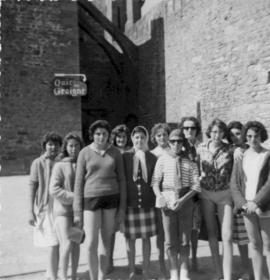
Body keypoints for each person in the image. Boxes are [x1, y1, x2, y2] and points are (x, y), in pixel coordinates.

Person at [73, 120, 126, 280]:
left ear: (109, 135)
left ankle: (102, 276)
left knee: (106, 241)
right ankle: (93, 277)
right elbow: (78, 182)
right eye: (97, 134)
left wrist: (122, 209)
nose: (101, 136)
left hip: (111, 200)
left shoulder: (115, 152)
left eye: (104, 133)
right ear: (92, 135)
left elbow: (122, 180)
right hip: (91, 200)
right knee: (91, 243)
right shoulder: (84, 153)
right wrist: (77, 210)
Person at [151, 129, 200, 280]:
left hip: (185, 201)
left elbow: (196, 186)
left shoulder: (189, 161)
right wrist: (160, 197)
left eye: (179, 141)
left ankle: (184, 272)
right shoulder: (162, 159)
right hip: (167, 202)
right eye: (173, 141)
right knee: (170, 240)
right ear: (169, 143)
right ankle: (173, 272)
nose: (176, 144)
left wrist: (183, 200)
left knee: (185, 239)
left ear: (183, 143)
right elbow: (155, 182)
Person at [231, 121, 270, 280]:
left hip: (265, 205)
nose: (253, 139)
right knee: (255, 245)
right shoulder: (240, 156)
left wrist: (257, 202)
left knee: (268, 246)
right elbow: (234, 183)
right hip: (247, 207)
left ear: (262, 136)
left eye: (256, 136)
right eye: (249, 136)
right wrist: (243, 203)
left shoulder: (268, 155)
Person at [197, 118, 233, 280]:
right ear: (209, 132)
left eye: (219, 131)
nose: (217, 135)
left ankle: (227, 275)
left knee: (227, 235)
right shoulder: (201, 148)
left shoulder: (230, 150)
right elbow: (195, 168)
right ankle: (217, 271)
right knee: (212, 233)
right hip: (206, 194)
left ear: (224, 133)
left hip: (225, 194)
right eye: (214, 131)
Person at [123, 126, 157, 280]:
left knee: (146, 238)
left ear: (146, 139)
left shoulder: (152, 157)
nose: (139, 140)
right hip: (130, 202)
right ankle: (131, 270)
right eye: (136, 137)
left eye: (142, 137)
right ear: (132, 139)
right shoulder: (125, 157)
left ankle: (146, 270)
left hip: (147, 202)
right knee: (130, 238)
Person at [28, 132, 62, 280]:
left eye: (55, 144)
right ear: (44, 146)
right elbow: (32, 187)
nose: (53, 147)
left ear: (60, 147)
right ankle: (53, 274)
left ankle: (51, 271)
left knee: (58, 241)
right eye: (49, 144)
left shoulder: (63, 162)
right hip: (46, 206)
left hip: (62, 206)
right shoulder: (38, 163)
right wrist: (30, 211)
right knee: (53, 241)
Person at [49, 133, 83, 280]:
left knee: (76, 243)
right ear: (66, 147)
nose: (73, 148)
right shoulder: (59, 165)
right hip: (63, 212)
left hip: (79, 212)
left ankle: (74, 275)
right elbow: (54, 189)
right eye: (70, 145)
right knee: (67, 244)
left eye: (76, 145)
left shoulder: (84, 163)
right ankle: (63, 276)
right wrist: (75, 197)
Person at [227, 121, 251, 280]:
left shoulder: (250, 150)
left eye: (238, 133)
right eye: (232, 135)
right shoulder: (229, 150)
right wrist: (235, 149)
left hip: (250, 197)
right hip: (235, 199)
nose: (235, 137)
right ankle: (247, 270)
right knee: (241, 239)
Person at [178, 116, 202, 271]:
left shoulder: (202, 146)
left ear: (197, 130)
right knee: (182, 229)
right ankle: (182, 262)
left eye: (192, 128)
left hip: (198, 194)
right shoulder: (178, 146)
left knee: (195, 228)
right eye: (186, 128)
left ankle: (194, 258)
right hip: (183, 194)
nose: (189, 131)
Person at [107, 124, 130, 273]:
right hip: (115, 193)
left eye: (123, 136)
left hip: (129, 194)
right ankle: (109, 261)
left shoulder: (131, 152)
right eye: (118, 136)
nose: (121, 139)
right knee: (111, 230)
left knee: (130, 230)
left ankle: (131, 261)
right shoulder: (111, 152)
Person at [150, 123, 171, 278]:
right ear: (154, 138)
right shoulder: (152, 154)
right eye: (158, 135)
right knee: (161, 233)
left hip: (173, 195)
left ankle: (173, 266)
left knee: (172, 232)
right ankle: (162, 266)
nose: (162, 138)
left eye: (164, 134)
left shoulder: (174, 151)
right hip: (159, 196)